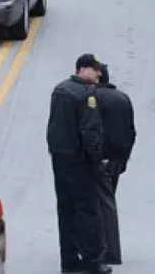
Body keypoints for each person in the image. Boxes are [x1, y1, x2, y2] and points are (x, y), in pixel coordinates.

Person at [46, 53, 109, 274]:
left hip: (60, 158)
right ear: (82, 70)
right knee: (87, 211)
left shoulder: (60, 90)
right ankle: (92, 261)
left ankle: (69, 260)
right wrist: (97, 162)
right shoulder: (86, 95)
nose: (99, 74)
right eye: (95, 69)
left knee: (66, 210)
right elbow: (90, 132)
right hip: (79, 161)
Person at [93, 62, 135, 266]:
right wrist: (123, 159)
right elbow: (132, 131)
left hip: (102, 159)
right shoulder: (123, 98)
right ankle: (107, 248)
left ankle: (108, 250)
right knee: (107, 201)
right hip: (118, 159)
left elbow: (93, 130)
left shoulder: (94, 99)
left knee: (101, 205)